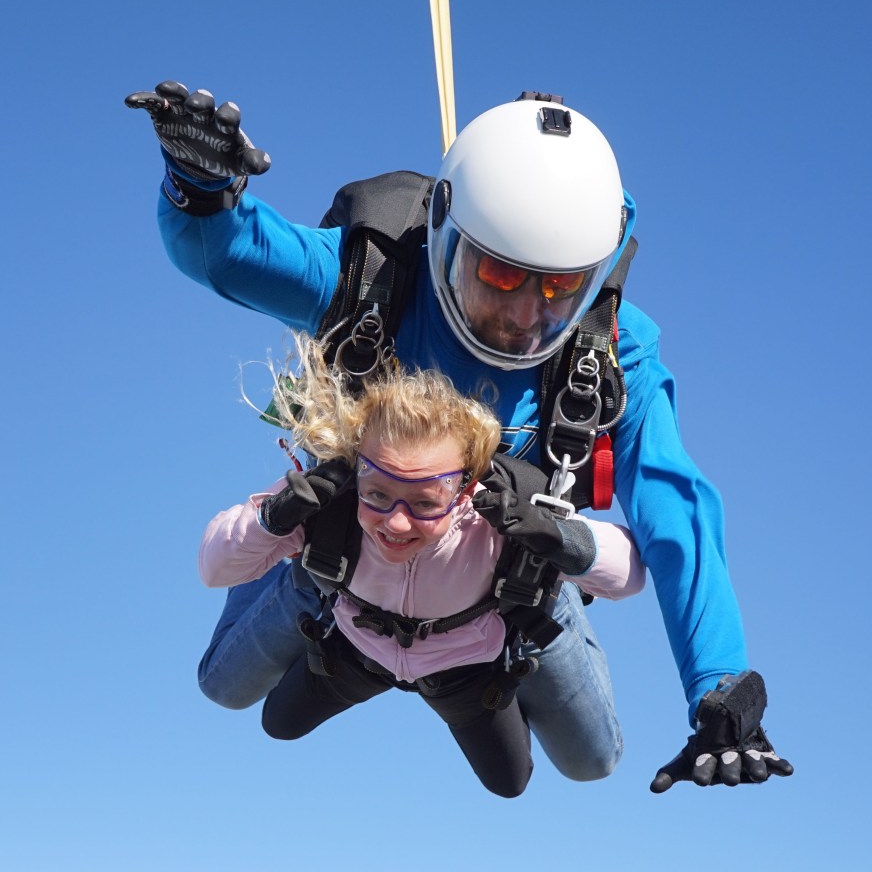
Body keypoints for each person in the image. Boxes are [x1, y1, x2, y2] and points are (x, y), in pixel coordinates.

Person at [126, 81, 793, 791]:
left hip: (505, 592)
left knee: (591, 761)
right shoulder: (374, 278)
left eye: (556, 288)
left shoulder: (610, 355)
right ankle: (344, 626)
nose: (520, 315)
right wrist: (199, 186)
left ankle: (469, 657)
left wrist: (718, 684)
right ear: (446, 229)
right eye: (500, 275)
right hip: (352, 559)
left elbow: (675, 509)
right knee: (224, 686)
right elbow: (232, 255)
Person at [200, 335, 644, 797]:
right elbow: (213, 570)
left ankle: (553, 589)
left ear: (463, 489)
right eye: (378, 494)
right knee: (252, 707)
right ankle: (299, 572)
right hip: (357, 650)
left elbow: (630, 575)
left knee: (556, 771)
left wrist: (556, 539)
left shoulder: (500, 513)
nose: (395, 521)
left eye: (424, 503)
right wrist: (273, 521)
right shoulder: (330, 500)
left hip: (463, 667)